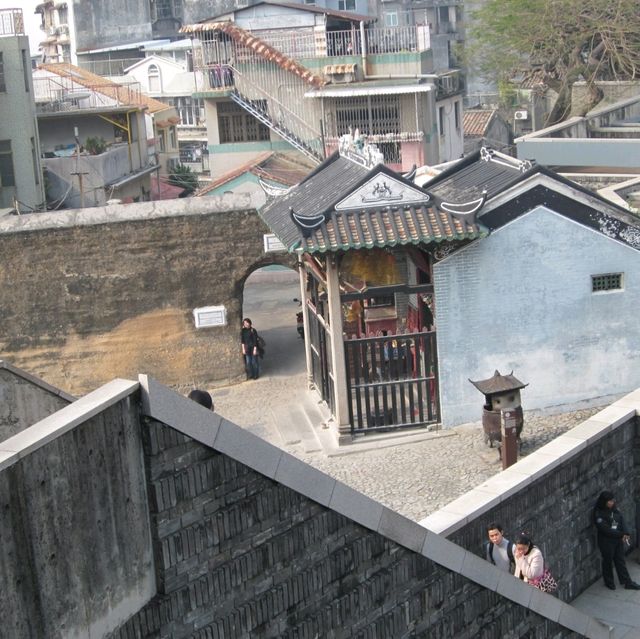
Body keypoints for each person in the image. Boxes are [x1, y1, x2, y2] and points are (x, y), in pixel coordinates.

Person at [593, 490, 640, 590]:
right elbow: (606, 530)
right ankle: (609, 582)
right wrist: (622, 534)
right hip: (606, 542)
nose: (612, 503)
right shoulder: (598, 514)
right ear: (604, 502)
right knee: (608, 561)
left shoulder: (613, 508)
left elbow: (621, 518)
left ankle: (627, 582)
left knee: (620, 560)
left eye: (612, 500)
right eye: (609, 501)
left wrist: (626, 532)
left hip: (617, 539)